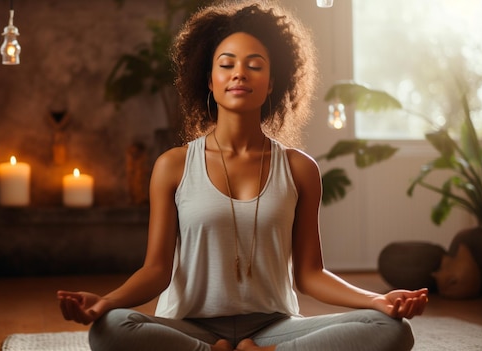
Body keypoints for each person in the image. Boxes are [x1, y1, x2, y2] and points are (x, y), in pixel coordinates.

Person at [57, 1, 428, 350]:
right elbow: (156, 270)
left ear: (271, 83)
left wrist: (377, 300)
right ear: (209, 80)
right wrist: (104, 303)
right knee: (111, 329)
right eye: (226, 63)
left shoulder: (300, 169)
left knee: (390, 330)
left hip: (272, 327)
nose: (239, 73)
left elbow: (311, 274)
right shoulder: (174, 165)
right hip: (191, 325)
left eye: (254, 64)